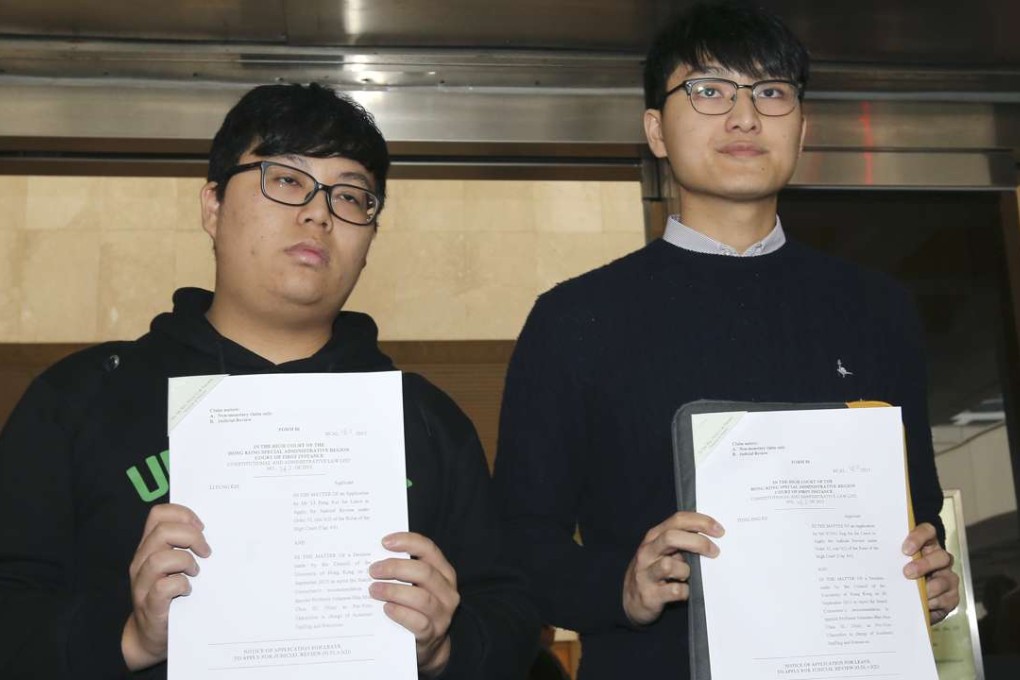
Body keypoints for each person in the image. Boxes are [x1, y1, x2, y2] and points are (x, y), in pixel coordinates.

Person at [0, 83, 538, 679]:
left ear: (370, 239)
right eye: (285, 180)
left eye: (352, 197)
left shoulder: (425, 421)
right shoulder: (79, 400)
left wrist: (445, 645)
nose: (318, 213)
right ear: (212, 206)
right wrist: (131, 636)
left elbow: (513, 620)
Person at [493, 3, 960, 678]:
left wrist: (928, 571)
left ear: (802, 129)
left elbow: (915, 506)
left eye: (770, 93)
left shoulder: (877, 308)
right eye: (709, 90)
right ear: (656, 129)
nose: (745, 117)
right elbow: (518, 546)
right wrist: (624, 585)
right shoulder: (575, 318)